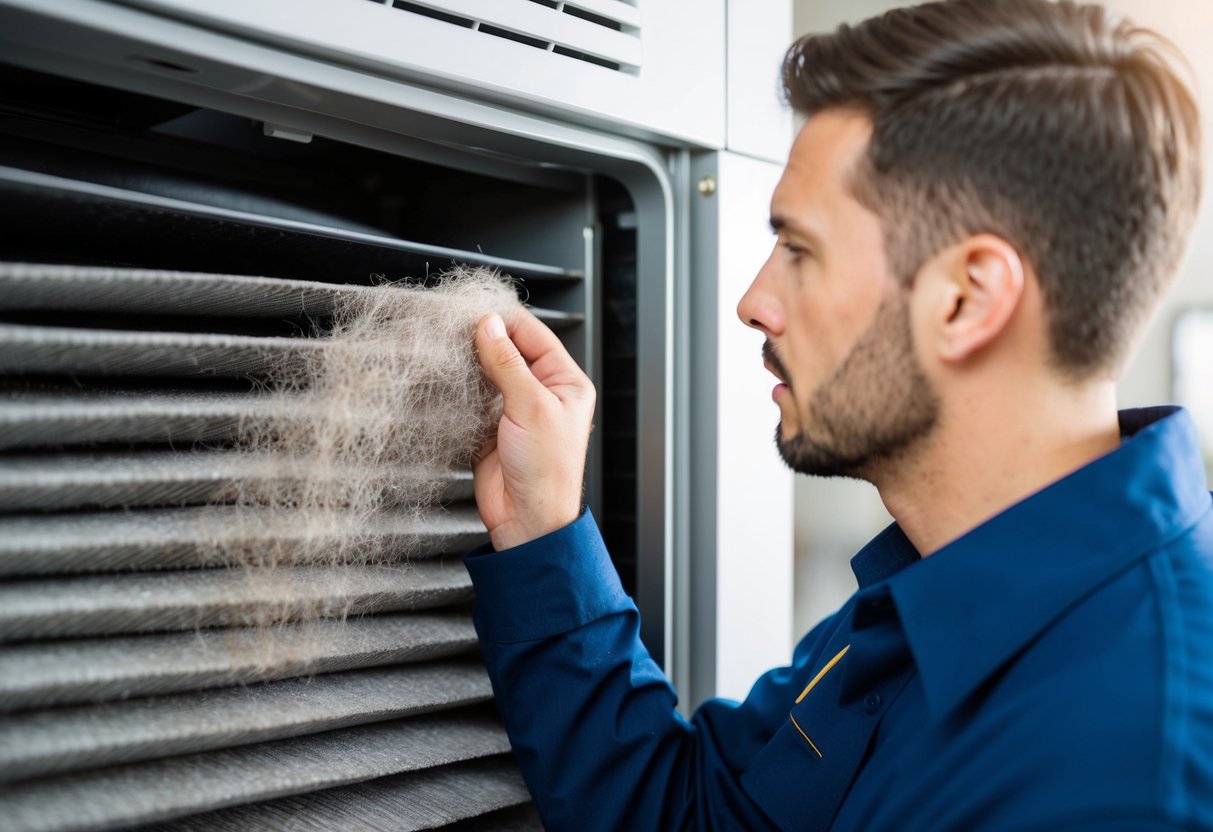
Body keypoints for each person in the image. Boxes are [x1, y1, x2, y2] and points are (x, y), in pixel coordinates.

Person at [464, 0, 1213, 828]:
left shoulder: (1133, 772)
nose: (753, 303)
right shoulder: (932, 590)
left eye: (799, 249)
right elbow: (698, 818)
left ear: (967, 299)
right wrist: (543, 535)